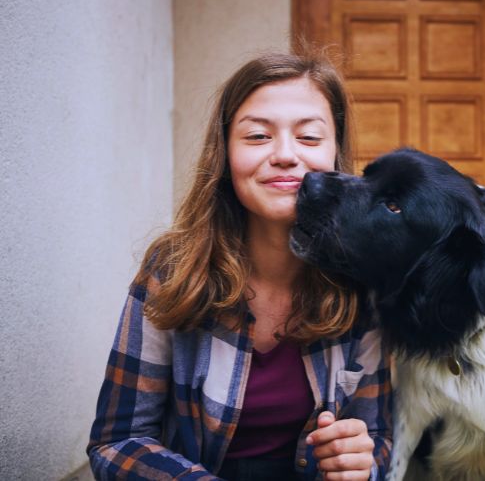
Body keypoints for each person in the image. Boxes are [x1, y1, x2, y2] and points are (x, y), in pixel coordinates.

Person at [87, 51, 393, 481]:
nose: (286, 156)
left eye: (309, 138)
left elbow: (377, 436)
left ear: (336, 153)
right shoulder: (172, 270)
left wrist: (366, 460)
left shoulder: (362, 280)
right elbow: (115, 443)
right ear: (225, 153)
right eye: (257, 136)